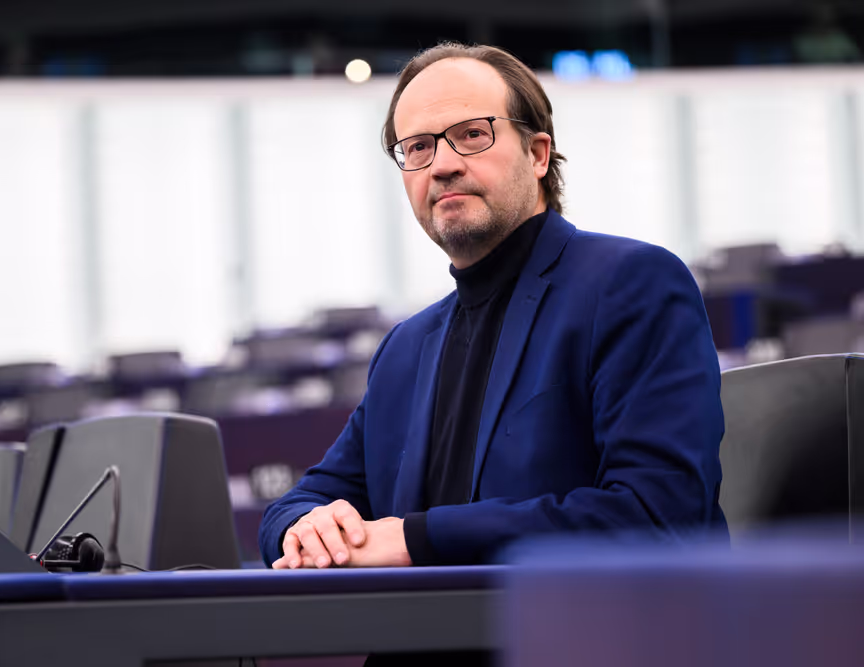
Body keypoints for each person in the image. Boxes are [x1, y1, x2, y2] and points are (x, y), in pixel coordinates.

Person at [259, 42, 726, 574]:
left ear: (538, 154)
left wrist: (418, 538)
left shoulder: (631, 284)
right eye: (417, 147)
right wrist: (304, 527)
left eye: (472, 135)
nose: (443, 166)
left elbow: (659, 515)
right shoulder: (405, 348)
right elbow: (295, 507)